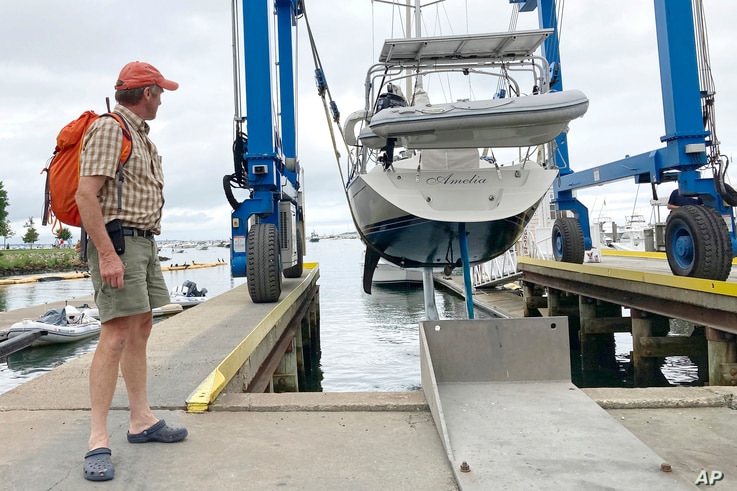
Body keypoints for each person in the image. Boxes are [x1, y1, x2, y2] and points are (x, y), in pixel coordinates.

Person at [75, 61, 187, 482]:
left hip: (142, 242)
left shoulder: (139, 135)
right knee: (116, 333)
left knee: (140, 326)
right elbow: (86, 196)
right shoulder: (111, 128)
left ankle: (140, 420)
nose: (162, 100)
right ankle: (97, 440)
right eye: (160, 93)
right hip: (118, 242)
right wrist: (106, 255)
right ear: (147, 93)